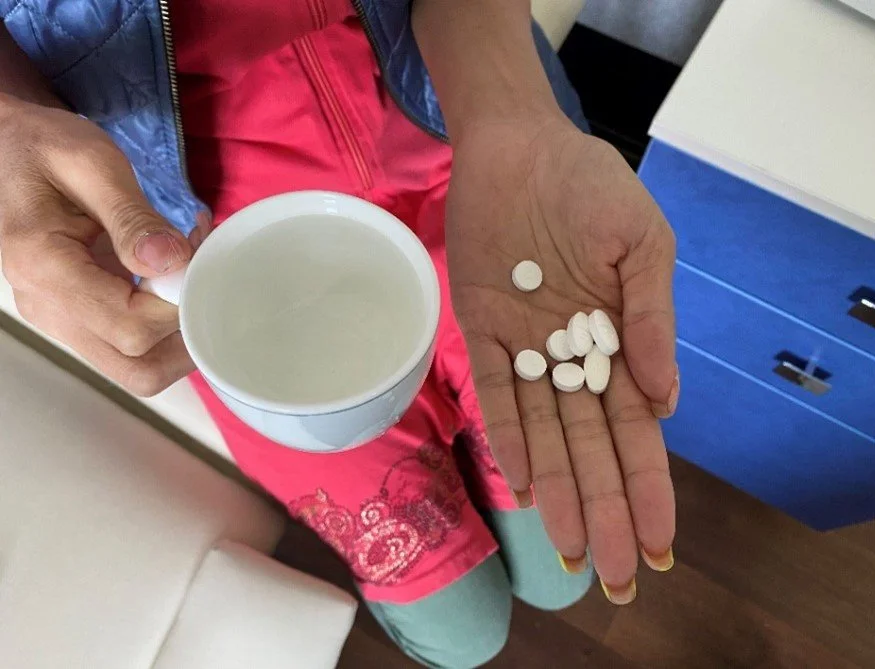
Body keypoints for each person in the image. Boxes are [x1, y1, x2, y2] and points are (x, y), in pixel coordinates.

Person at [0, 1, 678, 666]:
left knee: (560, 577)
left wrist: (511, 115)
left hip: (473, 172)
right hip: (224, 265)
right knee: (466, 637)